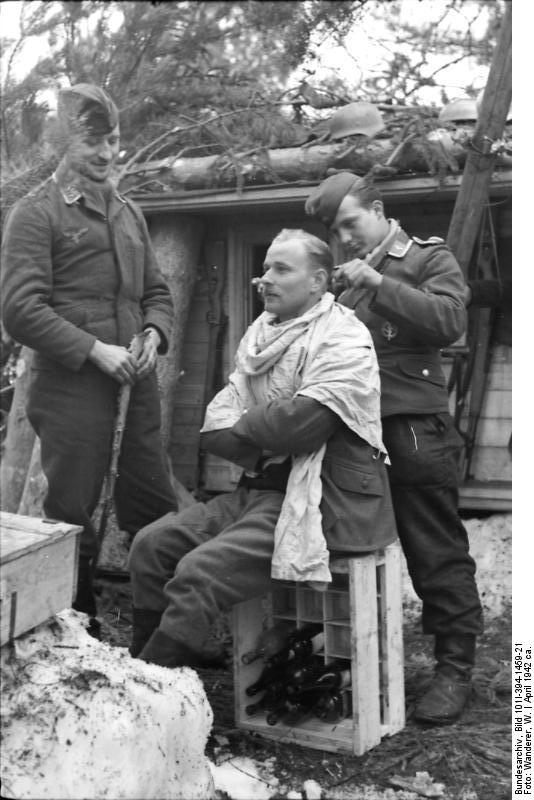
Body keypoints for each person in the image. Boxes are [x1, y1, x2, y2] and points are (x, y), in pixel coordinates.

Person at [127, 228, 397, 668]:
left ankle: (150, 681)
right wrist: (268, 423)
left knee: (199, 572)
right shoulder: (260, 336)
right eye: (266, 267)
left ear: (318, 281)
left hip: (323, 500)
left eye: (281, 269)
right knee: (151, 545)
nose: (264, 278)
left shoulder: (344, 336)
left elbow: (303, 426)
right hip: (260, 492)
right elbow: (214, 429)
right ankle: (144, 664)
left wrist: (249, 421)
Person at [305, 172, 483, 724]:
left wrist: (379, 283)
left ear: (379, 210)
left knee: (435, 551)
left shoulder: (427, 258)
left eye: (351, 224)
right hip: (353, 435)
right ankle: (358, 659)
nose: (346, 239)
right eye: (337, 232)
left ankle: (455, 670)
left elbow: (450, 320)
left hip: (412, 431)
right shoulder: (345, 280)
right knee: (353, 548)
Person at [1, 84, 177, 625]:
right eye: (92, 142)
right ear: (62, 142)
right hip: (72, 392)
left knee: (152, 504)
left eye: (113, 140)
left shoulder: (129, 213)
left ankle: (155, 635)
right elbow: (20, 310)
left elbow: (157, 293)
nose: (106, 153)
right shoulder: (36, 214)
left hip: (135, 388)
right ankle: (75, 628)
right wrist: (94, 350)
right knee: (73, 514)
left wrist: (154, 333)